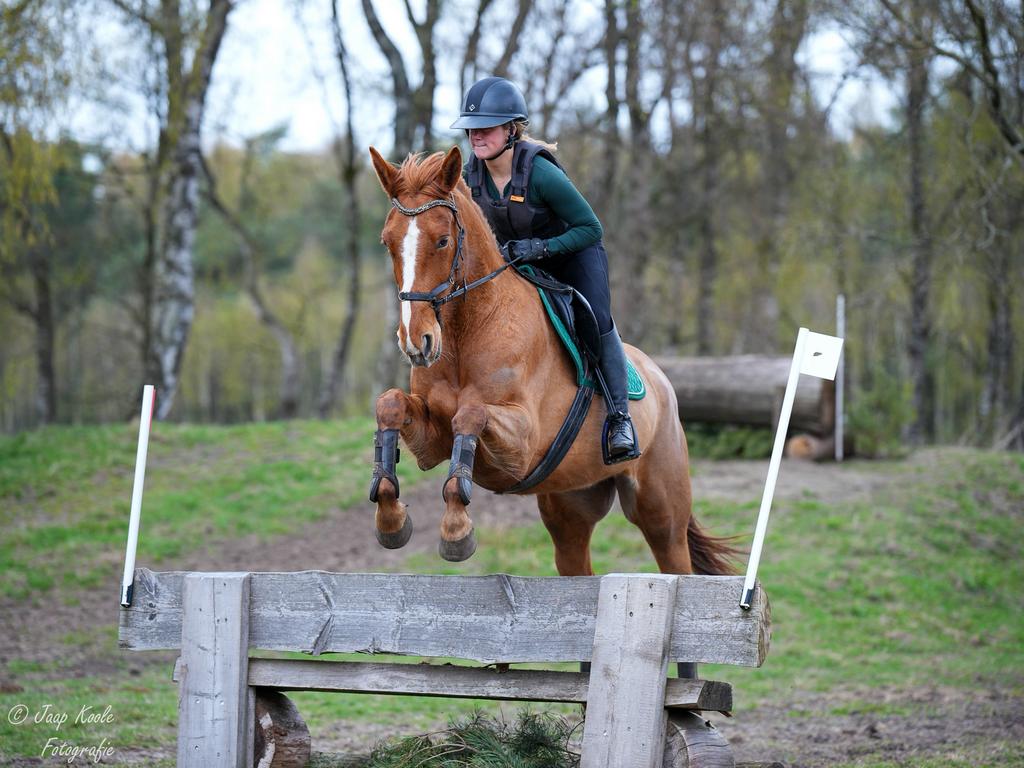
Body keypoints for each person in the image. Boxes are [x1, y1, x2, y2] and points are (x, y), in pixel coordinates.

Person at [450, 76, 639, 463]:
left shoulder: (540, 173)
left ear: (510, 129)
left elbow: (591, 228)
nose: (476, 136)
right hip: (518, 263)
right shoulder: (470, 178)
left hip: (573, 255)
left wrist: (542, 247)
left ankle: (620, 418)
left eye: (485, 127)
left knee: (595, 317)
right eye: (472, 128)